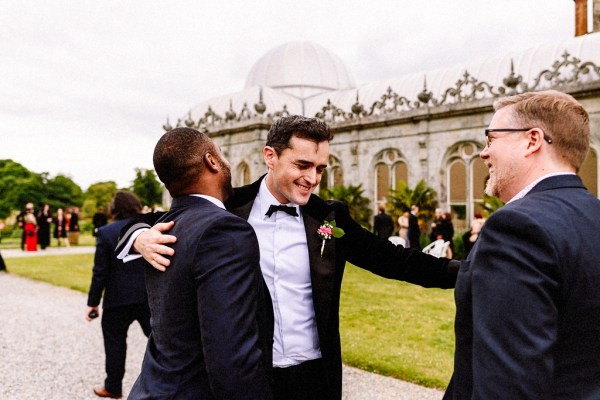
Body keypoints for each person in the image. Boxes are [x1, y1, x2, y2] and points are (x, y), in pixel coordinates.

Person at [119, 116, 459, 400]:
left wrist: (471, 270)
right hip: (253, 375)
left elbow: (394, 259)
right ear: (270, 156)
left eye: (320, 168)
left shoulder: (330, 217)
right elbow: (144, 221)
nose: (312, 178)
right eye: (302, 165)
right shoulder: (229, 209)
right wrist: (138, 238)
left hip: (313, 376)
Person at [444, 90, 600, 399]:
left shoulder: (515, 228)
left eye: (491, 139)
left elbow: (508, 386)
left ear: (532, 140)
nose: (483, 154)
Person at [128, 128, 272, 399]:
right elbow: (231, 353)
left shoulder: (161, 229)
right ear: (212, 161)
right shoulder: (224, 229)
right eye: (222, 155)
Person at [86, 191, 152, 399]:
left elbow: (100, 272)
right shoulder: (148, 228)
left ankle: (113, 387)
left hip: (117, 299)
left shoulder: (106, 232)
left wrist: (93, 303)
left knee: (114, 344)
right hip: (147, 296)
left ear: (114, 208)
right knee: (162, 341)